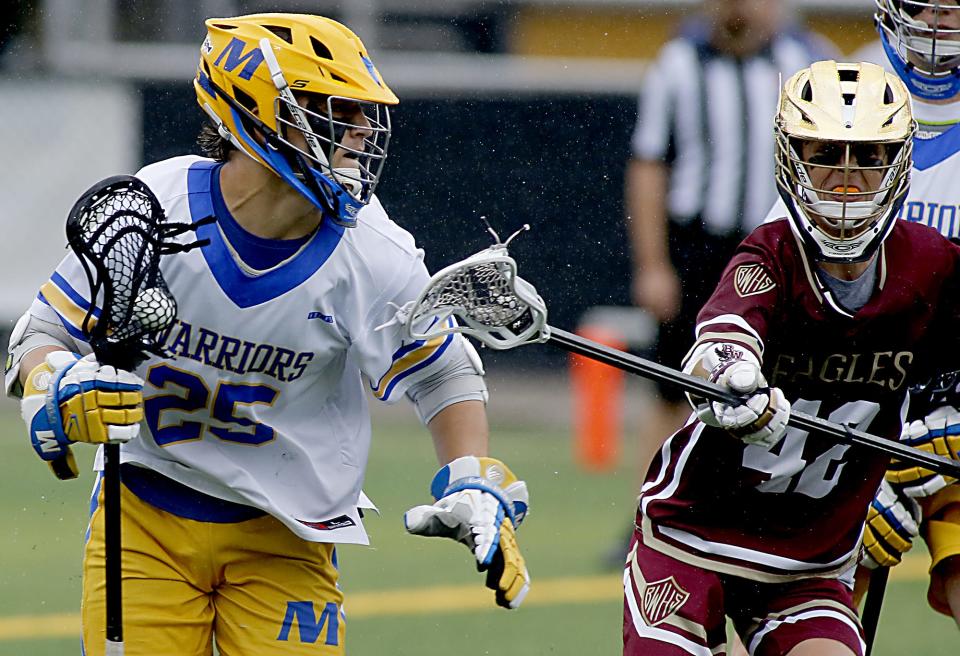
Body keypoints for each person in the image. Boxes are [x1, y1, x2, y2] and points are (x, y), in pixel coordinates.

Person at [5, 13, 530, 656]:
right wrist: (52, 382)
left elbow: (441, 371)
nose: (363, 132)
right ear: (257, 115)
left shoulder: (373, 254)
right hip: (144, 514)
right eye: (336, 110)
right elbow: (42, 329)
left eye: (364, 113)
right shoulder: (156, 203)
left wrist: (470, 473)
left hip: (288, 534)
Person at [624, 60, 960, 655]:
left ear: (900, 163)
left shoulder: (933, 265)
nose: (847, 181)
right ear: (790, 158)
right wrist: (734, 385)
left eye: (870, 157)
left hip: (808, 565)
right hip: (693, 539)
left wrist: (929, 443)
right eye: (825, 152)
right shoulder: (770, 254)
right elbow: (720, 344)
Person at [765, 1, 960, 629]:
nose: (937, 22)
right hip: (845, 399)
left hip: (955, 410)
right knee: (800, 612)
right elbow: (780, 266)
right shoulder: (848, 88)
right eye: (923, 5)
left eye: (953, 8)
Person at [624, 0, 835, 488]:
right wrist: (653, 264)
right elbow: (649, 165)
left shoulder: (807, 63)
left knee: (787, 383)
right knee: (673, 386)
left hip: (785, 247)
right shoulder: (677, 63)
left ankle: (780, 505)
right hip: (699, 245)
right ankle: (649, 507)